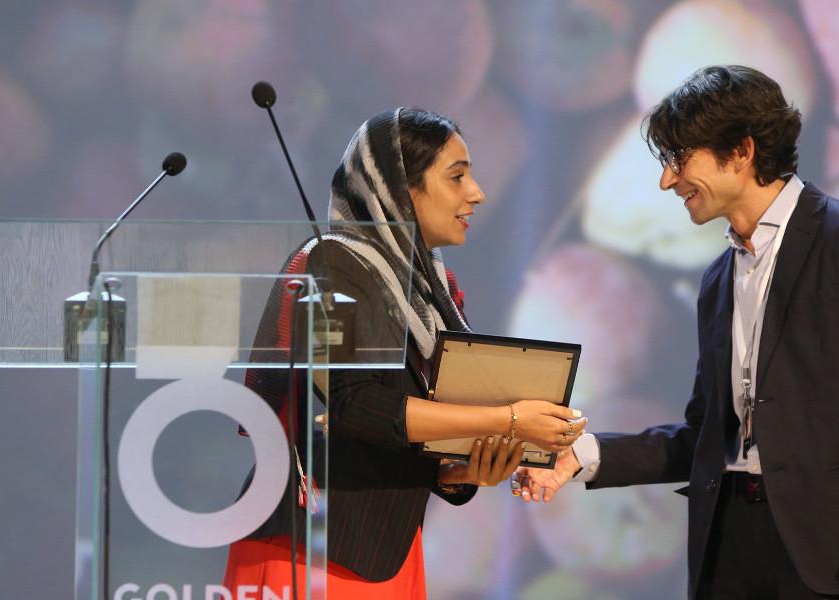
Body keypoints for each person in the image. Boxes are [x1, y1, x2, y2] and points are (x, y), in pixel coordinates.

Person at [515, 65, 839, 599]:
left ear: (741, 151)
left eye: (680, 159)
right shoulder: (718, 278)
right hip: (727, 545)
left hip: (828, 555)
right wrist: (583, 454)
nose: (667, 181)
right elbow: (705, 437)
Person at [223, 108, 586, 599]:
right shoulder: (335, 261)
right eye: (456, 177)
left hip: (384, 551)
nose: (476, 193)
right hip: (314, 545)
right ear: (399, 189)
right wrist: (508, 419)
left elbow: (401, 440)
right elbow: (356, 406)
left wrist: (464, 469)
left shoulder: (431, 292)